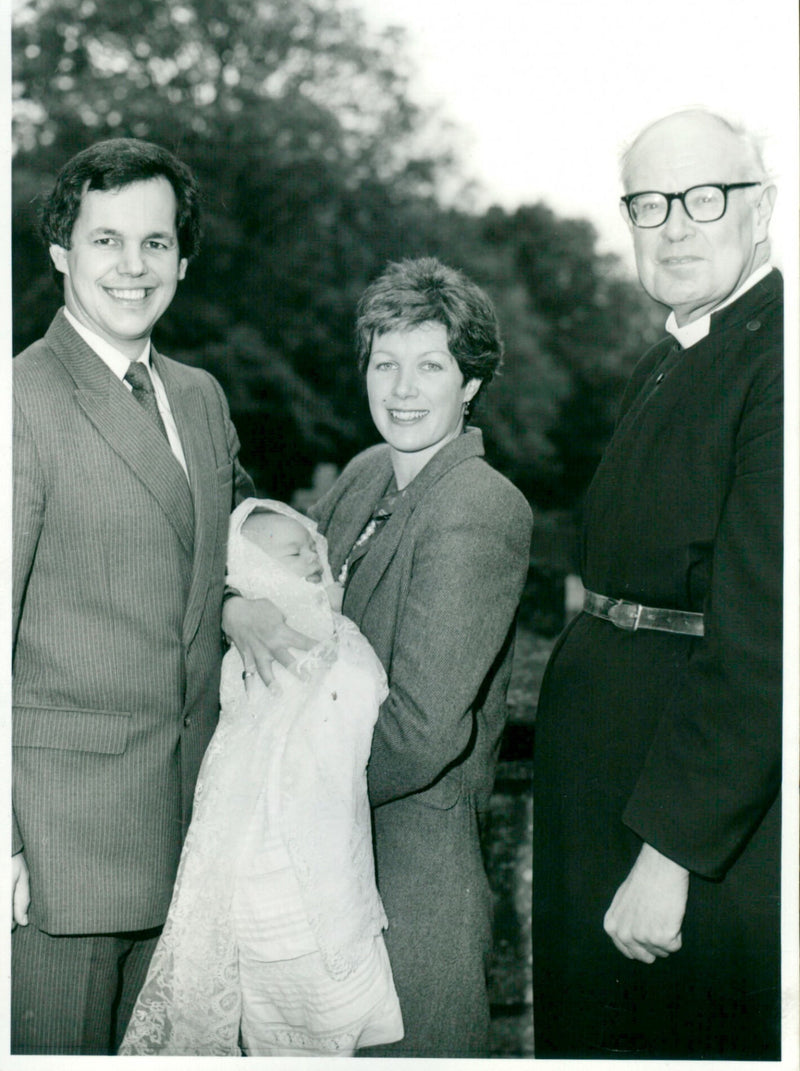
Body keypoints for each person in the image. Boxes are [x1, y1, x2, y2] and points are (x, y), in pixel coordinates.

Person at [11, 138, 308, 1055]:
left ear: (183, 259)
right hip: (58, 844)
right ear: (61, 251)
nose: (131, 267)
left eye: (154, 243)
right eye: (106, 241)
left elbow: (184, 553)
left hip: (190, 825)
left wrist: (227, 601)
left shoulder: (202, 397)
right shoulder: (20, 400)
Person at [532, 109, 782, 1059]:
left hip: (689, 831)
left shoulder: (775, 357)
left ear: (760, 211)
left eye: (704, 197)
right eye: (649, 204)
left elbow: (767, 639)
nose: (674, 224)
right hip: (617, 783)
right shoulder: (678, 351)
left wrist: (673, 849)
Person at [309, 257, 533, 1057]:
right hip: (332, 861)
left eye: (430, 364)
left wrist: (286, 790)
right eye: (385, 362)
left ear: (469, 382)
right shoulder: (369, 472)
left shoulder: (479, 506)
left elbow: (423, 727)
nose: (403, 388)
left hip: (411, 875)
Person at [120, 499, 404, 1056]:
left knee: (327, 1008)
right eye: (291, 553)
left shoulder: (334, 633)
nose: (312, 558)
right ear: (255, 570)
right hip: (263, 864)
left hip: (320, 858)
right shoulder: (254, 651)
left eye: (311, 548)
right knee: (277, 1014)